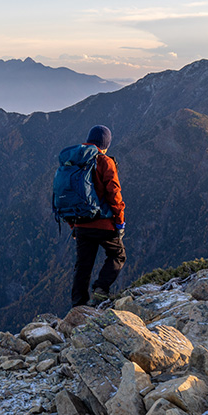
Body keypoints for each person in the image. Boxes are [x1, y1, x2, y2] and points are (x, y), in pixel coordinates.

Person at [70, 125, 126, 306]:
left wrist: (74, 224)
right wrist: (120, 222)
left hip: (80, 223)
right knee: (118, 255)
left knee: (83, 266)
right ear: (105, 144)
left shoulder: (75, 160)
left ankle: (78, 306)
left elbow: (67, 195)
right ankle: (101, 289)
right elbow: (114, 193)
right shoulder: (104, 161)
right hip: (103, 224)